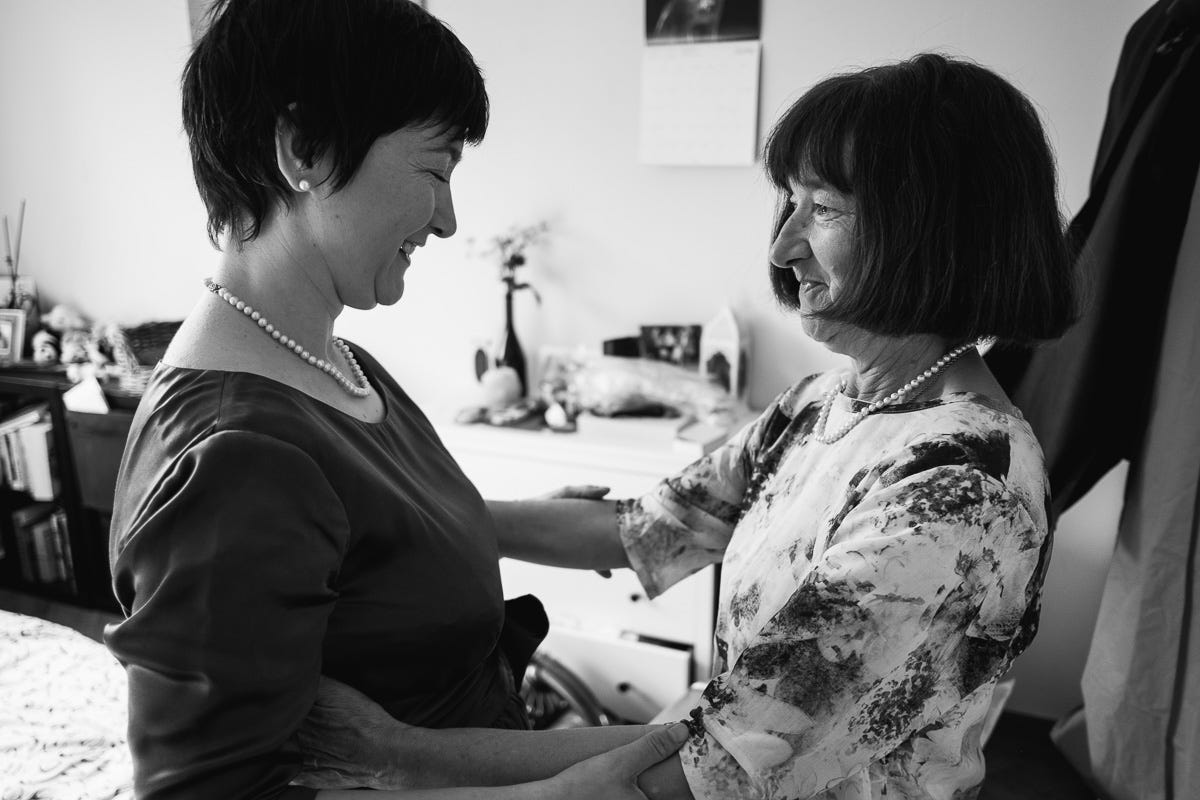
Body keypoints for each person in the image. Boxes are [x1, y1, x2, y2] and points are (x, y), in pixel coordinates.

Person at [300, 52, 1078, 798]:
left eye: (826, 209)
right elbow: (650, 528)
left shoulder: (958, 493)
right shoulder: (825, 404)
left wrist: (395, 755)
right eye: (790, 203)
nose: (783, 245)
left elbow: (720, 764)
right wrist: (424, 520)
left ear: (932, 232)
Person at [104, 1, 690, 798]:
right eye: (435, 171)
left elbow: (368, 545)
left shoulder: (343, 364)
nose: (448, 220)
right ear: (304, 149)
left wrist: (470, 526)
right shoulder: (239, 455)